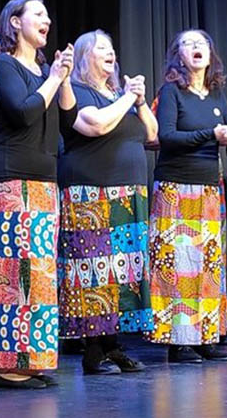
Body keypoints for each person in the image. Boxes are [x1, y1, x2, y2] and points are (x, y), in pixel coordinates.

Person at [0, 0, 75, 389]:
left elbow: (66, 119)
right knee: (9, 277)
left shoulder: (46, 70)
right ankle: (6, 367)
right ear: (15, 23)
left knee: (38, 277)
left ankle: (31, 360)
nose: (46, 20)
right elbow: (22, 112)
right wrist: (53, 79)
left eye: (48, 15)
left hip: (43, 183)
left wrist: (62, 75)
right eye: (37, 13)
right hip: (8, 181)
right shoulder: (4, 63)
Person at [58, 29, 157, 374]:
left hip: (129, 193)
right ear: (85, 56)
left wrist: (140, 102)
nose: (110, 53)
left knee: (123, 275)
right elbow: (95, 126)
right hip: (91, 192)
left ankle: (114, 346)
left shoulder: (118, 95)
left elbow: (153, 133)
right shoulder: (78, 91)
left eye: (112, 48)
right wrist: (129, 99)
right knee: (93, 273)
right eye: (102, 49)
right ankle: (93, 352)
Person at [144, 29, 227, 363]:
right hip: (175, 187)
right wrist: (211, 134)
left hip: (209, 189)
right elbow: (167, 137)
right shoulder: (171, 92)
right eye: (189, 44)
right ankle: (179, 341)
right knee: (178, 266)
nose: (197, 48)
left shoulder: (216, 94)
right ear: (178, 55)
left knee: (207, 266)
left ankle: (205, 335)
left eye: (202, 43)